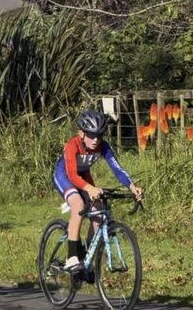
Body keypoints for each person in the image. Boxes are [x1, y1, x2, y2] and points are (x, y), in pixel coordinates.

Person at [53, 110, 143, 272]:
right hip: (64, 176)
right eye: (91, 135)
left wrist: (132, 186)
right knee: (78, 204)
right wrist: (89, 188)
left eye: (99, 136)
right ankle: (72, 257)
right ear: (81, 133)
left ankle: (87, 256)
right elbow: (72, 174)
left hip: (84, 176)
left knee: (99, 211)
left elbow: (118, 169)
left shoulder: (103, 146)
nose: (95, 140)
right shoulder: (71, 145)